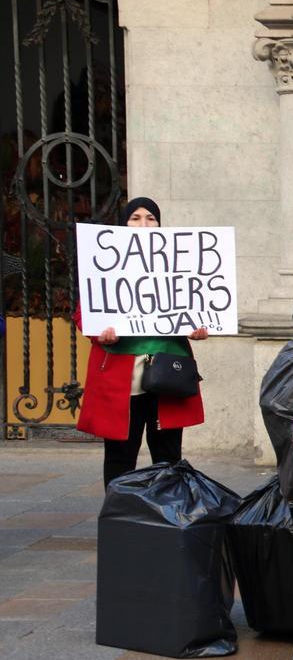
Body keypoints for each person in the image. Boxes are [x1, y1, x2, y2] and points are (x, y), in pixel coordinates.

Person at [75, 197, 207, 485]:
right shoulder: (103, 264)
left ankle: (169, 516)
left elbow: (194, 305)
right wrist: (100, 331)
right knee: (120, 454)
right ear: (124, 224)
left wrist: (199, 326)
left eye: (151, 218)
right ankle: (119, 518)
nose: (144, 224)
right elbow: (83, 311)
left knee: (168, 454)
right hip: (122, 376)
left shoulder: (177, 264)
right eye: (135, 218)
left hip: (168, 371)